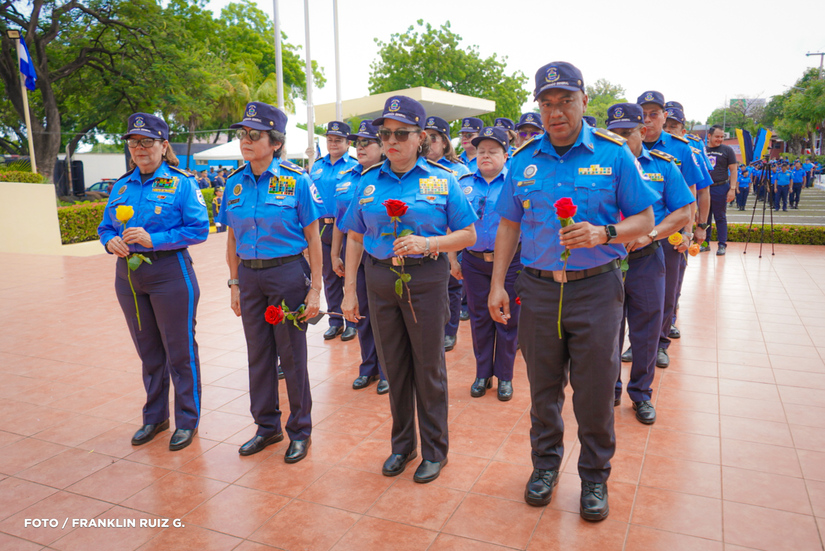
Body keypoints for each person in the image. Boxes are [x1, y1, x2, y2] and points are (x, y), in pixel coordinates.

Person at [488, 62, 656, 521]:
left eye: (565, 101)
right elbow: (508, 224)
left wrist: (604, 233)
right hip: (539, 291)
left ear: (584, 102)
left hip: (597, 290)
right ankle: (545, 467)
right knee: (543, 390)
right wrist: (499, 283)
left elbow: (645, 221)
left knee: (595, 392)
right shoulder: (523, 160)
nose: (556, 111)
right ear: (539, 108)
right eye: (547, 103)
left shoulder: (615, 154)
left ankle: (594, 476)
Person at [341, 96, 477, 484]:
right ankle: (403, 445)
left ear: (421, 138)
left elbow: (468, 234)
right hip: (380, 278)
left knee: (428, 366)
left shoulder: (442, 179)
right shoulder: (366, 181)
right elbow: (354, 236)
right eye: (385, 133)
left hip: (426, 278)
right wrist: (350, 290)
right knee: (394, 366)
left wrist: (428, 244)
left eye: (402, 133)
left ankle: (435, 450)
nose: (392, 140)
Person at [98, 112, 209, 451]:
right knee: (149, 352)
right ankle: (155, 417)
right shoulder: (122, 185)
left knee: (180, 352)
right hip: (129, 278)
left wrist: (154, 239)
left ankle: (186, 421)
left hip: (170, 274)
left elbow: (199, 229)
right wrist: (109, 242)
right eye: (134, 142)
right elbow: (105, 227)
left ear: (164, 145)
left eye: (147, 141)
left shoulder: (181, 183)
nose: (140, 148)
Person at [218, 101, 323, 462]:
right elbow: (232, 238)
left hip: (288, 274)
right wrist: (234, 283)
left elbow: (314, 238)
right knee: (258, 355)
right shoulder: (233, 184)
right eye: (242, 134)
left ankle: (300, 430)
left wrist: (315, 289)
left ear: (275, 142)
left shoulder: (296, 181)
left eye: (254, 135)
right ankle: (266, 427)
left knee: (291, 356)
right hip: (249, 276)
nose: (245, 141)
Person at [605, 103, 693, 425]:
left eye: (627, 133)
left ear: (642, 132)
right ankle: (610, 389)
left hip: (646, 259)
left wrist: (650, 234)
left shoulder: (664, 166)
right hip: (607, 264)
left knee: (646, 331)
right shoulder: (597, 168)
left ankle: (640, 395)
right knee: (609, 332)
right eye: (613, 134)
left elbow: (683, 211)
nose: (621, 141)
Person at [637, 95, 706, 367]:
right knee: (635, 297)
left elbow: (691, 192)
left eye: (654, 113)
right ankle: (640, 345)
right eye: (643, 113)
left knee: (665, 295)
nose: (648, 119)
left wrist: (689, 232)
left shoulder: (680, 149)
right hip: (634, 236)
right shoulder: (625, 147)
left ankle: (660, 343)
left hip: (668, 233)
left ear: (665, 116)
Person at [456, 127, 521, 401]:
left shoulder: (515, 182)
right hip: (473, 261)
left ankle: (505, 376)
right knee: (479, 317)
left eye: (493, 151)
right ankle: (483, 374)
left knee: (506, 319)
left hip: (509, 263)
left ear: (506, 155)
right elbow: (455, 222)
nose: (485, 156)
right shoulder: (463, 182)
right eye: (481, 151)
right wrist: (453, 258)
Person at [331, 120, 388, 394]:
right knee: (359, 312)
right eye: (358, 142)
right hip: (353, 251)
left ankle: (388, 370)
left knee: (384, 316)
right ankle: (369, 367)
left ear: (383, 145)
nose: (360, 147)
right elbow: (342, 222)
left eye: (367, 142)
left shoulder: (388, 177)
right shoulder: (346, 178)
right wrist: (334, 253)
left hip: (382, 253)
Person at [424, 115, 470, 351]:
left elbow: (460, 214)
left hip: (450, 237)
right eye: (426, 137)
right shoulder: (417, 168)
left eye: (435, 138)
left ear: (445, 143)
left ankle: (449, 330)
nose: (429, 142)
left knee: (452, 287)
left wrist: (452, 250)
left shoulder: (458, 170)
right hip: (424, 241)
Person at [309, 121, 358, 342]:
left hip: (347, 228)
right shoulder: (317, 166)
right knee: (329, 276)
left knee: (349, 274)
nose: (333, 143)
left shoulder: (355, 167)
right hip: (322, 226)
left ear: (348, 143)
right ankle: (336, 321)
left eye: (338, 140)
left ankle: (353, 322)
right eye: (330, 139)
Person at [704, 125, 738, 254]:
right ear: (709, 136)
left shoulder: (727, 150)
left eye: (721, 137)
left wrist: (732, 188)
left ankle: (722, 244)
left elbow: (733, 170)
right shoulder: (703, 150)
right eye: (717, 136)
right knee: (704, 218)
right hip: (705, 189)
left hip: (721, 187)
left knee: (720, 217)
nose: (720, 139)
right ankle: (705, 243)